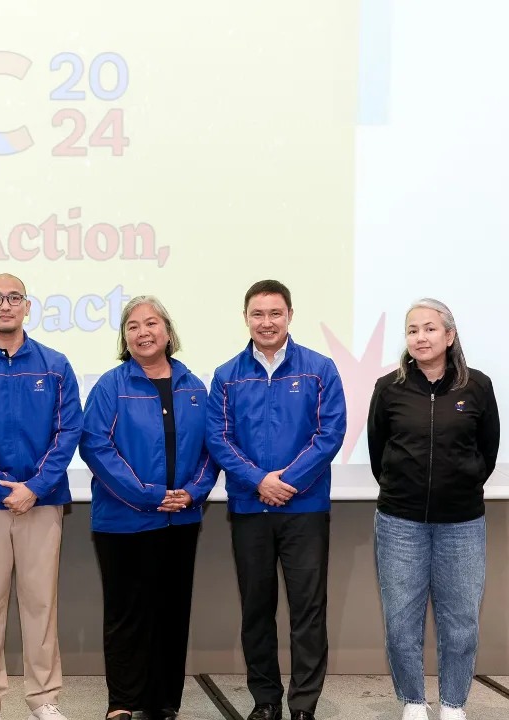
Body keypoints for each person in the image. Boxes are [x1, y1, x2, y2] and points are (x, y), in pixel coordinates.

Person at [205, 280, 346, 720]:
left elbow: (330, 433)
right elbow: (218, 438)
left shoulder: (320, 368)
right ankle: (265, 701)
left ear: (289, 315)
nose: (266, 322)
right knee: (257, 609)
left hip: (304, 509)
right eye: (257, 314)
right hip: (250, 508)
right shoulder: (227, 374)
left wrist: (288, 482)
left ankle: (304, 705)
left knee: (308, 609)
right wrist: (258, 481)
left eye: (275, 313)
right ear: (245, 317)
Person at [80, 296, 219, 720]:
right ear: (124, 338)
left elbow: (213, 449)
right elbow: (95, 445)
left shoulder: (195, 386)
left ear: (168, 331)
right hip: (123, 520)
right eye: (133, 326)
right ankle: (123, 702)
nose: (143, 332)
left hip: (182, 518)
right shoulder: (111, 385)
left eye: (152, 323)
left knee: (172, 611)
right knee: (127, 613)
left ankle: (163, 702)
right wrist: (147, 494)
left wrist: (193, 491)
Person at [0, 273, 84, 720]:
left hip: (42, 502)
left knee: (40, 603)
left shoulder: (55, 364)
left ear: (28, 306)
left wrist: (35, 486)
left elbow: (69, 431)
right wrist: (0, 487)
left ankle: (43, 698)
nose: (5, 305)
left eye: (14, 298)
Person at [367, 299, 500, 720]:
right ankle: (411, 700)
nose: (420, 337)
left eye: (428, 329)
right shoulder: (388, 388)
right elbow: (377, 452)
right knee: (401, 619)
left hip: (461, 523)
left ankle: (453, 703)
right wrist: (399, 487)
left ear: (449, 335)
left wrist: (461, 483)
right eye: (411, 330)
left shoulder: (477, 386)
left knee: (460, 619)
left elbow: (488, 452)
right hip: (399, 522)